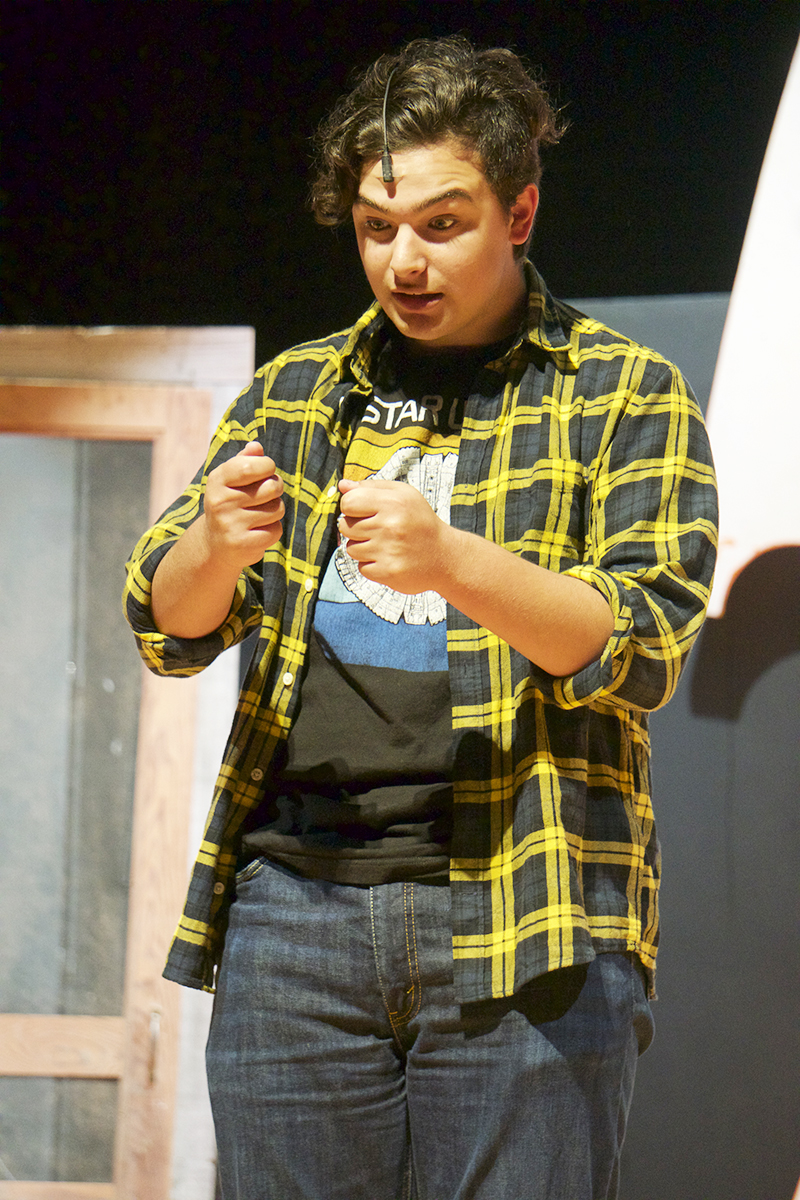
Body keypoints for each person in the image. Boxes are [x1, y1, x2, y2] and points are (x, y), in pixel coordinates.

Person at [124, 34, 717, 1200]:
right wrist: (215, 545)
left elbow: (639, 642)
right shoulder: (297, 390)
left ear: (519, 212)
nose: (402, 261)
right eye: (373, 227)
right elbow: (165, 621)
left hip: (524, 901)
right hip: (294, 904)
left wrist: (449, 561)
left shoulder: (619, 390)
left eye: (441, 224)